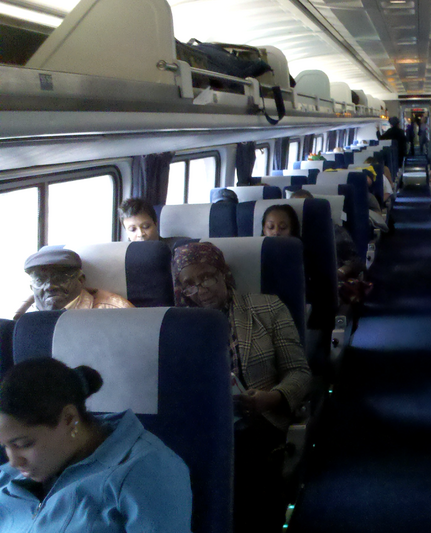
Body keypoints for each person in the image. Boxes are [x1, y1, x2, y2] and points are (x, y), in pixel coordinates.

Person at [171, 243, 310, 533]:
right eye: (190, 284)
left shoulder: (267, 307)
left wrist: (271, 399)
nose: (201, 290)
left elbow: (299, 373)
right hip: (199, 428)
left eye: (207, 277)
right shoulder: (176, 326)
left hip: (258, 423)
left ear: (224, 274)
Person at [0, 359, 192, 532]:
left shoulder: (147, 470)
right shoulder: (10, 475)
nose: (13, 462)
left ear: (69, 419)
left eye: (23, 444)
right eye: (4, 446)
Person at [15, 248, 134, 319]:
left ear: (81, 280)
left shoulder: (116, 312)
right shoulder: (22, 315)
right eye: (40, 280)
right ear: (31, 287)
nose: (50, 286)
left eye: (60, 278)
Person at [118, 197, 188, 248]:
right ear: (126, 232)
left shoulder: (180, 247)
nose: (140, 234)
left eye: (146, 227)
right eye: (133, 230)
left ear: (156, 224)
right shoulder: (123, 255)